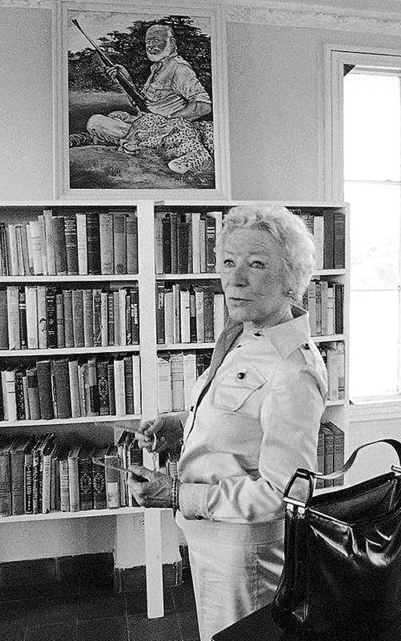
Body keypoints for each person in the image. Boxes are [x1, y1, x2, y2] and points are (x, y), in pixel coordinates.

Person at [127, 203, 328, 641]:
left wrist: (179, 493)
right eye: (228, 262)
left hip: (244, 553)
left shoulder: (293, 370)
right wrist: (181, 427)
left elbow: (285, 492)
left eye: (256, 264)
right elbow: (237, 417)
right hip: (210, 537)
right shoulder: (241, 333)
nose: (235, 279)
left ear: (291, 280)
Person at [70, 23, 212, 147]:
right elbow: (142, 104)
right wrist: (126, 80)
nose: (150, 46)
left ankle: (100, 140)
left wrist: (166, 121)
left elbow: (203, 106)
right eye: (148, 42)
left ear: (172, 42)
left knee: (95, 122)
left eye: (156, 40)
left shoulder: (179, 68)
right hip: (144, 123)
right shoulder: (156, 69)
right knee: (116, 116)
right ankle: (109, 139)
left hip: (160, 130)